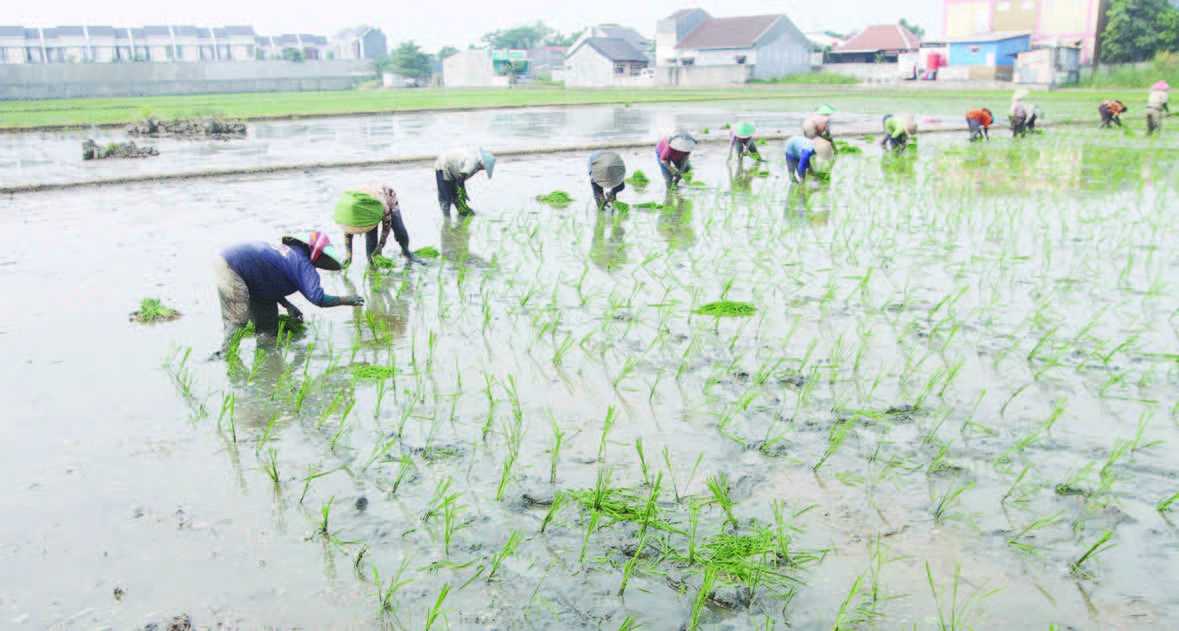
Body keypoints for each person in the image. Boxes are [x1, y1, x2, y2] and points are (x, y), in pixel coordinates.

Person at [216, 232, 363, 348]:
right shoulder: (303, 264)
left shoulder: (289, 253)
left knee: (268, 328)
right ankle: (226, 356)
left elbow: (270, 280)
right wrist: (347, 300)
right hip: (233, 267)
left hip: (249, 274)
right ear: (319, 255)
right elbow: (318, 298)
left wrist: (288, 305)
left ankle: (266, 363)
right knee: (237, 321)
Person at [333, 185, 420, 267]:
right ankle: (372, 263)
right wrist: (349, 255)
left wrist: (380, 246)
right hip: (366, 207)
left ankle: (406, 252)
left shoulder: (385, 206)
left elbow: (386, 229)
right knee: (371, 242)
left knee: (399, 230)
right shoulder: (352, 216)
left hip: (386, 198)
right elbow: (348, 234)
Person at [434, 147, 495, 217]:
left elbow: (460, 180)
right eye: (485, 168)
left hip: (453, 169)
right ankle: (446, 219)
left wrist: (463, 193)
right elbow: (460, 180)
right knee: (446, 198)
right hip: (443, 165)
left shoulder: (476, 163)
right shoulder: (472, 163)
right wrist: (463, 193)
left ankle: (461, 216)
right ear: (483, 163)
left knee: (457, 198)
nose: (484, 169)